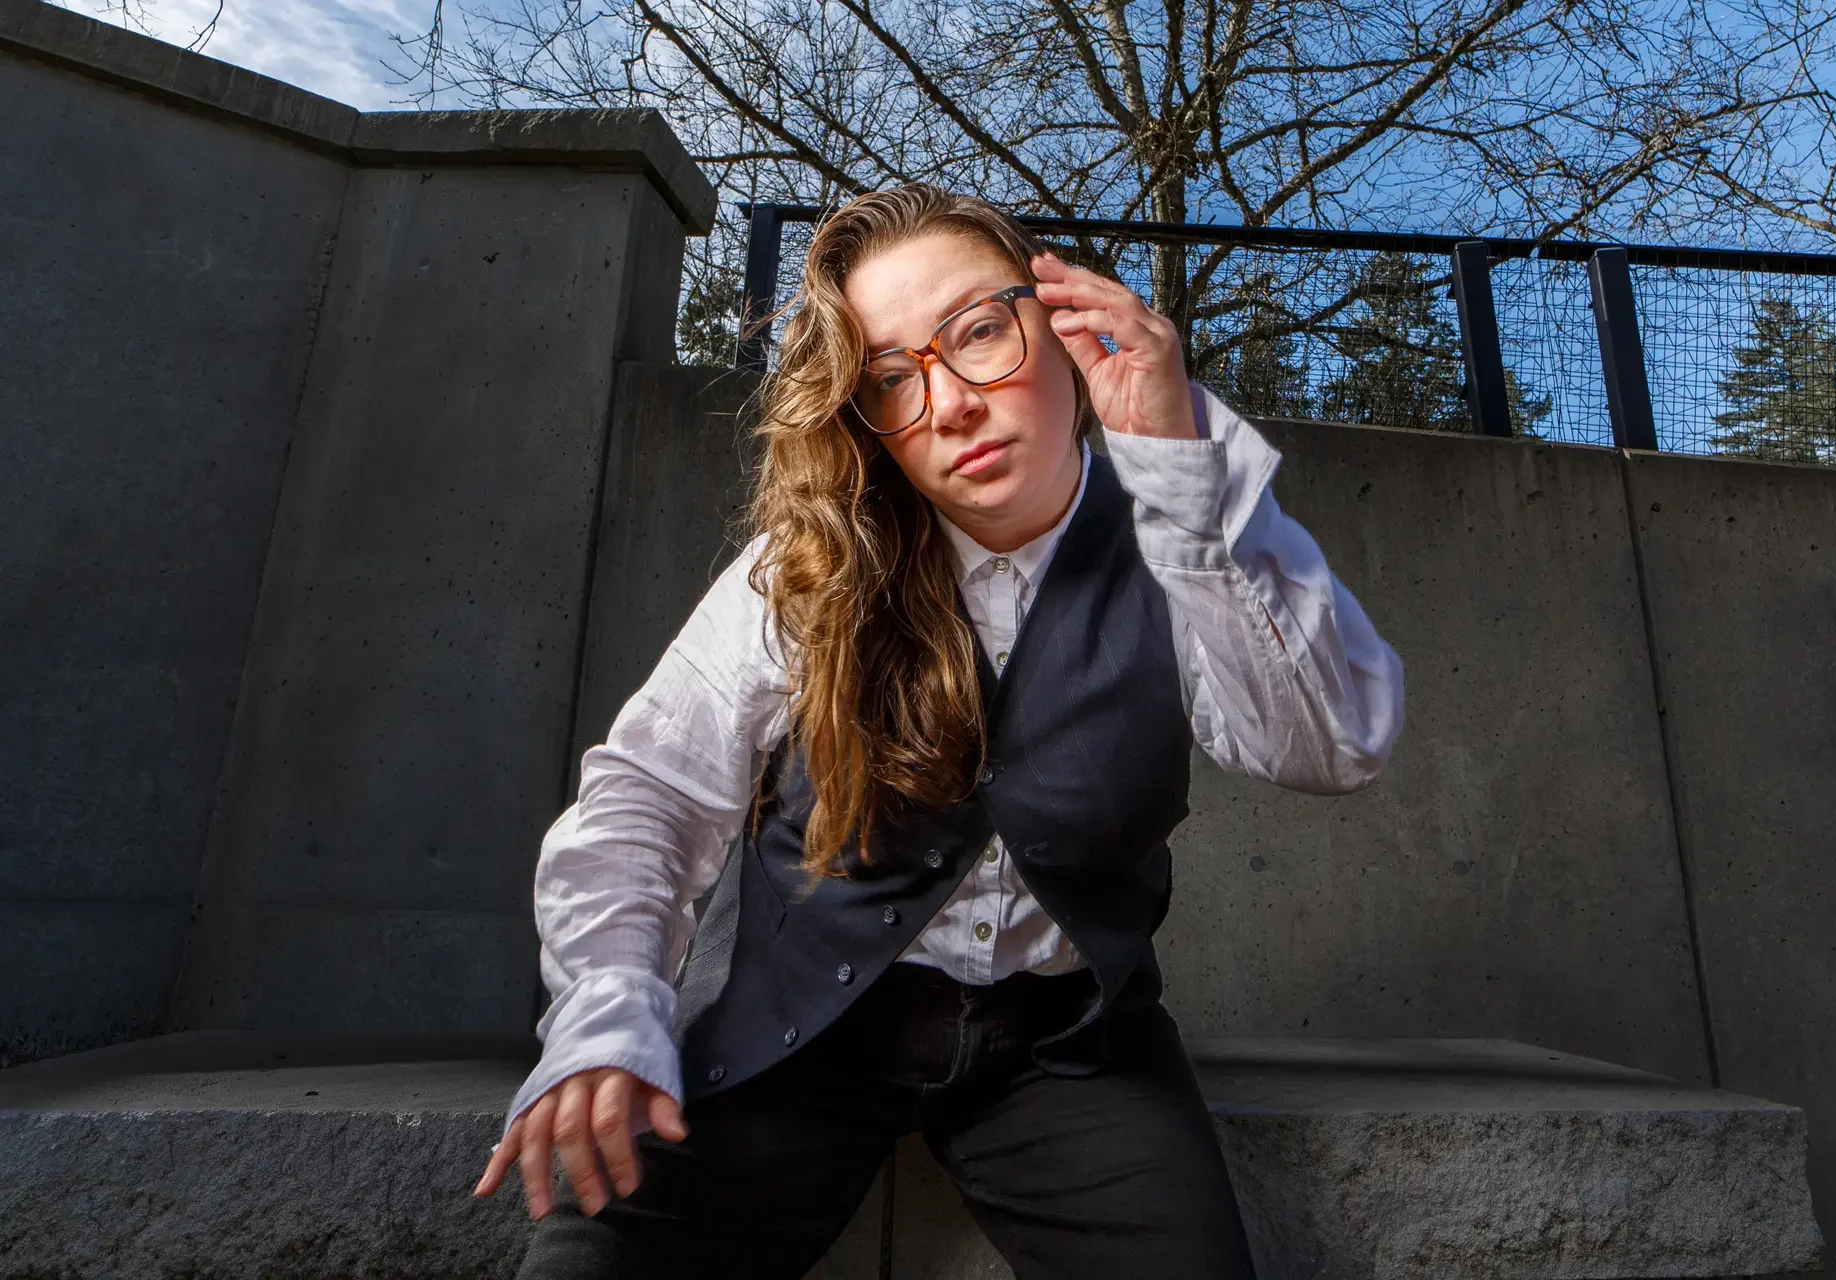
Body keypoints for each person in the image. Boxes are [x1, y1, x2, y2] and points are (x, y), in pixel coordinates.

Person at [474, 183, 1405, 1279]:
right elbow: (653, 790)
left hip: (1064, 1050)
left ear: (1065, 324)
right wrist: (610, 1002)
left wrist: (1175, 461)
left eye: (975, 334)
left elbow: (1332, 746)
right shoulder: (813, 563)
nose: (950, 403)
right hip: (791, 1032)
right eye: (890, 377)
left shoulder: (1188, 537)